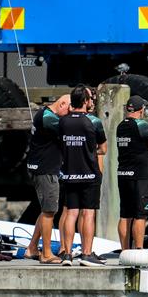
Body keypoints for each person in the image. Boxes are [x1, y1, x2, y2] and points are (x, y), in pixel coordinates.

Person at [58, 85, 107, 267]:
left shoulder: (63, 122)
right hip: (89, 174)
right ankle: (86, 254)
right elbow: (103, 149)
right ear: (86, 102)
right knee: (88, 214)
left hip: (70, 174)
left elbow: (60, 144)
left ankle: (67, 254)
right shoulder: (93, 122)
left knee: (71, 213)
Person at [23, 94, 70, 264]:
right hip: (45, 170)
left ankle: (32, 248)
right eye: (69, 110)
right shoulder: (49, 118)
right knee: (50, 212)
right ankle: (47, 253)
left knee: (45, 210)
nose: (69, 114)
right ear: (62, 104)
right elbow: (69, 129)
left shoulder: (47, 114)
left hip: (42, 168)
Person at [116, 95, 148, 251]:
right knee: (140, 214)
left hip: (123, 174)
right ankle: (138, 250)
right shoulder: (142, 125)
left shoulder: (120, 126)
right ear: (141, 110)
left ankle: (124, 251)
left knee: (125, 215)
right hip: (140, 175)